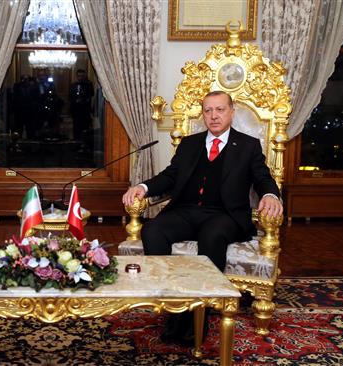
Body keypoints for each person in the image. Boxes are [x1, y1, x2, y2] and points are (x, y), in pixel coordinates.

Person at [121, 90, 283, 345]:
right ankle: (174, 308)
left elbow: (263, 178)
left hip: (224, 215)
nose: (213, 116)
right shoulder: (190, 143)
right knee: (153, 230)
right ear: (203, 114)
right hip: (185, 211)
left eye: (219, 110)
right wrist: (143, 187)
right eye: (208, 110)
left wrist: (272, 195)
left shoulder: (248, 146)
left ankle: (201, 313)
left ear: (231, 112)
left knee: (213, 235)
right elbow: (170, 176)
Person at [69, 69, 94, 141]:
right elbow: (70, 96)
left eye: (82, 76)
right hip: (75, 109)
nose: (80, 77)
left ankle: (84, 141)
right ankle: (76, 139)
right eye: (79, 76)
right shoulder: (73, 85)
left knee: (84, 125)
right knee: (76, 125)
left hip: (84, 109)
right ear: (77, 76)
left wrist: (83, 100)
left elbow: (91, 95)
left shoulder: (88, 85)